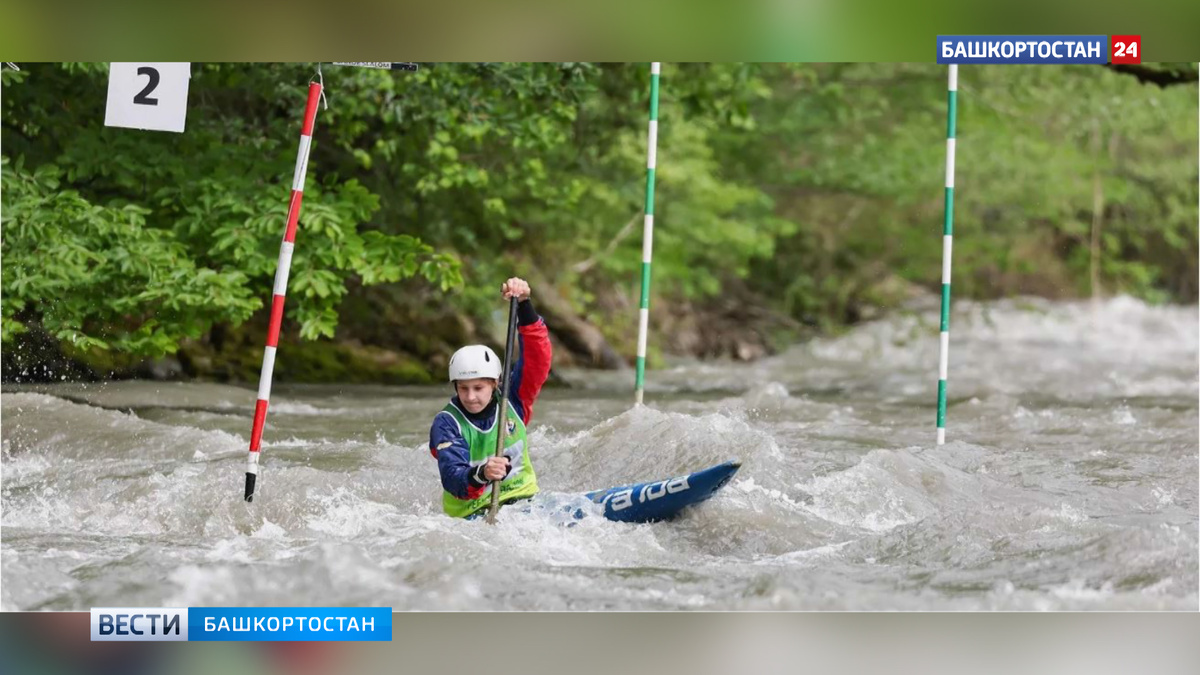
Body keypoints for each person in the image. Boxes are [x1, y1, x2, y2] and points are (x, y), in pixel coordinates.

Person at [428, 277, 552, 518]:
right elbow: (453, 477)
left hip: (525, 502)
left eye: (478, 388)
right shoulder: (446, 423)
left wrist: (524, 304)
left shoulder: (512, 400)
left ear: (495, 383)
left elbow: (538, 361)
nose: (471, 397)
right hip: (474, 512)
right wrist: (482, 473)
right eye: (463, 388)